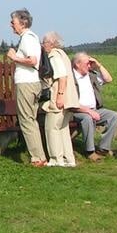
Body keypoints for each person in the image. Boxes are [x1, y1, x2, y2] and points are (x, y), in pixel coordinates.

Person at [6, 9, 47, 167]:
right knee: (31, 120)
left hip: (26, 83)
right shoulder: (32, 37)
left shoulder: (27, 38)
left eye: (13, 22)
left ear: (22, 23)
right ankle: (39, 156)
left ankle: (37, 158)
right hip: (32, 83)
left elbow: (32, 60)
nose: (11, 25)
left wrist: (14, 57)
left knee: (26, 120)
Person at [71, 52, 117, 160]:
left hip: (94, 109)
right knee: (87, 118)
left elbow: (108, 79)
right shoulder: (70, 77)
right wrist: (88, 111)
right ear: (78, 64)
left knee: (113, 116)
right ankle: (90, 151)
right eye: (87, 64)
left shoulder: (91, 75)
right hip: (76, 111)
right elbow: (70, 102)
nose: (89, 66)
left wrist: (98, 65)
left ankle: (103, 148)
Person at [40, 31, 77, 168]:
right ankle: (69, 159)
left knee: (52, 128)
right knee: (63, 128)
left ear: (50, 43)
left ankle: (56, 159)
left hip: (58, 97)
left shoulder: (54, 55)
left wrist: (59, 96)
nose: (43, 46)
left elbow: (62, 77)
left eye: (44, 42)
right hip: (69, 99)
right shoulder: (64, 55)